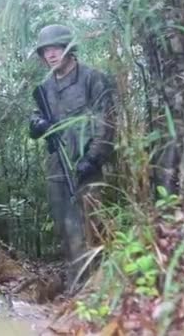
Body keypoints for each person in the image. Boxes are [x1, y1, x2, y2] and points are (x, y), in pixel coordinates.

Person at [29, 24, 116, 291]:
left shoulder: (92, 78)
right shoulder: (44, 88)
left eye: (55, 48)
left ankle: (98, 288)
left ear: (68, 48)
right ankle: (76, 286)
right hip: (58, 168)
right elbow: (35, 120)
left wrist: (93, 159)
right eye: (45, 51)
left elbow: (107, 124)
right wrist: (37, 125)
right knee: (65, 229)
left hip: (88, 168)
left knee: (92, 226)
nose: (50, 55)